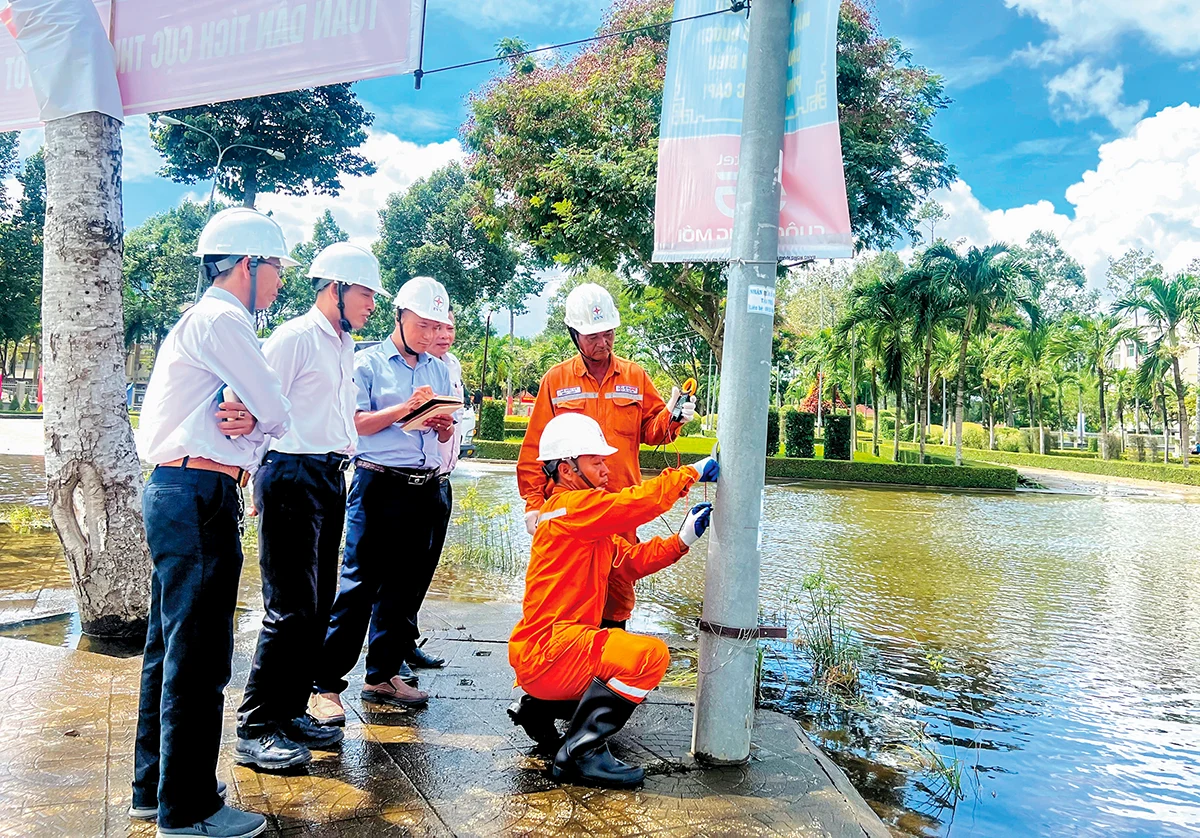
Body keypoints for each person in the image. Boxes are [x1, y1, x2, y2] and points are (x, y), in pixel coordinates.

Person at [131, 207, 294, 838]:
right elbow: (277, 408)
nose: (279, 281)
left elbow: (255, 413)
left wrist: (249, 417)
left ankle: (156, 788)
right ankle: (190, 809)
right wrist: (260, 417)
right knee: (199, 656)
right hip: (199, 494)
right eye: (276, 268)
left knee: (169, 648)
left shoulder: (199, 321)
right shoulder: (225, 320)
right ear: (247, 265)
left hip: (177, 489)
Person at [234, 243, 389, 771]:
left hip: (327, 475)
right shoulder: (295, 337)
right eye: (365, 293)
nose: (372, 304)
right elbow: (253, 406)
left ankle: (290, 711)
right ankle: (256, 727)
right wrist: (255, 478)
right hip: (291, 474)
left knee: (318, 604)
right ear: (336, 289)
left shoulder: (343, 344)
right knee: (289, 607)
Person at [508, 413, 718, 788]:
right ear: (566, 469)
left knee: (612, 670)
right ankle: (580, 754)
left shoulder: (579, 519)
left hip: (547, 654)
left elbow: (627, 563)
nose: (607, 469)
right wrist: (690, 473)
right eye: (596, 462)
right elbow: (634, 504)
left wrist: (681, 540)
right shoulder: (571, 508)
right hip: (552, 652)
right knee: (649, 657)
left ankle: (538, 709)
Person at [309, 276, 455, 724]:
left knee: (403, 587)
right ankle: (325, 685)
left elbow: (441, 428)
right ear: (401, 316)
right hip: (378, 483)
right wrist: (405, 409)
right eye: (423, 325)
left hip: (423, 486)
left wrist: (442, 426)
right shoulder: (368, 363)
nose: (431, 336)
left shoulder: (437, 368)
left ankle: (383, 675)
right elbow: (354, 423)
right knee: (359, 586)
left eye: (437, 327)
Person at [516, 283, 696, 629]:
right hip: (572, 513)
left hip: (620, 506)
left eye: (608, 333)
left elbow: (652, 431)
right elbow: (535, 449)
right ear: (574, 334)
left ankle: (609, 656)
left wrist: (673, 417)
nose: (603, 342)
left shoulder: (634, 376)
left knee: (617, 590)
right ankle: (564, 657)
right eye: (593, 336)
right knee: (569, 594)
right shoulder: (556, 380)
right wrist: (534, 504)